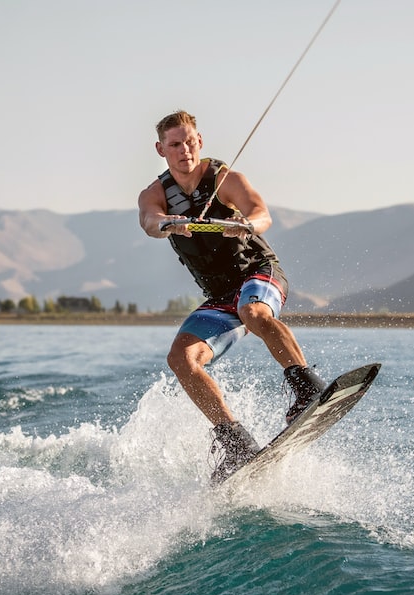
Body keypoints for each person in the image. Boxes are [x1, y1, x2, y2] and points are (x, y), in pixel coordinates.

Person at [137, 109, 326, 483]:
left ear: (200, 141)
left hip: (259, 272)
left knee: (254, 312)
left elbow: (261, 212)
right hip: (220, 294)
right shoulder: (155, 194)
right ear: (162, 149)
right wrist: (167, 224)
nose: (184, 150)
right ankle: (235, 440)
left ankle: (308, 387)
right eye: (175, 145)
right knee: (182, 358)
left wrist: (246, 224)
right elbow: (149, 221)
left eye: (190, 142)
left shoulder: (224, 178)